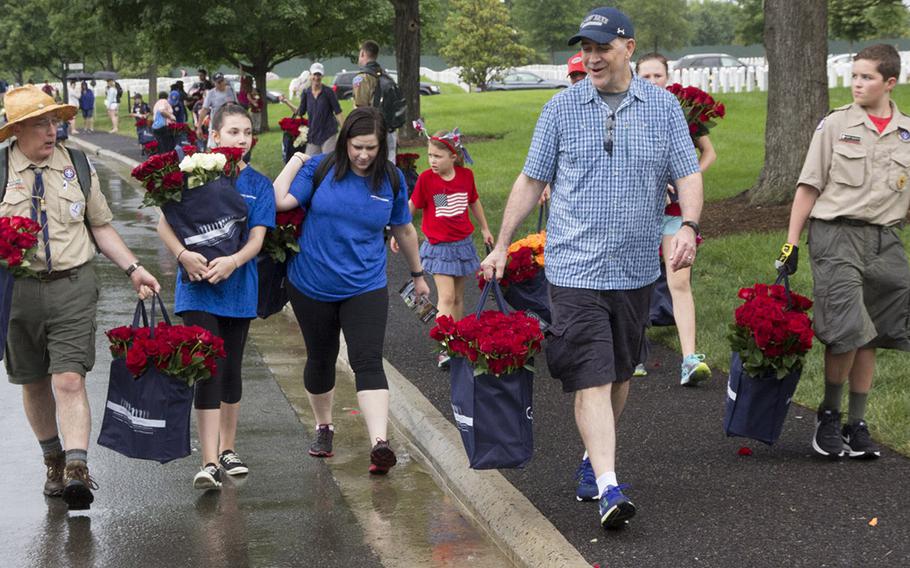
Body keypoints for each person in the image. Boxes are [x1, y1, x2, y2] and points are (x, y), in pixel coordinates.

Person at [481, 7, 702, 529]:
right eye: (587, 47)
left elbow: (687, 174)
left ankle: (590, 457)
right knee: (592, 375)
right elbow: (531, 181)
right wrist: (502, 244)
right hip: (574, 267)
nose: (593, 56)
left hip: (633, 269)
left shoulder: (665, 109)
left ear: (628, 46)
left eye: (603, 46)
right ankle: (608, 485)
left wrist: (689, 226)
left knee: (620, 371)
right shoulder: (560, 110)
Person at [0, 86, 160, 510]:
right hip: (16, 292)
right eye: (40, 123)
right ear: (16, 129)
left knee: (69, 378)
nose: (52, 131)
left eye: (54, 121)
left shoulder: (77, 164)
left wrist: (133, 268)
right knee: (33, 382)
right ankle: (53, 459)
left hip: (73, 285)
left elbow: (100, 226)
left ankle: (76, 469)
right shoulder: (0, 169)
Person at [272, 107, 429, 475]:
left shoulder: (390, 179)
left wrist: (418, 273)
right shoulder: (320, 169)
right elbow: (279, 202)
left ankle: (380, 443)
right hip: (311, 283)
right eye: (357, 146)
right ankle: (324, 427)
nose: (363, 155)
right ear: (345, 142)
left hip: (365, 284)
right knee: (321, 359)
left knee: (368, 359)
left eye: (371, 148)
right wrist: (296, 160)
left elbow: (403, 230)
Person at [780, 44, 910, 461]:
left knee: (873, 333)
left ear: (890, 82)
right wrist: (790, 243)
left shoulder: (907, 132)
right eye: (854, 75)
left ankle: (858, 423)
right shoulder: (836, 125)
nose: (857, 83)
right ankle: (829, 415)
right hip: (835, 236)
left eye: (867, 77)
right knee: (847, 329)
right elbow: (808, 185)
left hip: (885, 241)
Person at [157, 103, 275, 489]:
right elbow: (165, 223)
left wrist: (233, 262)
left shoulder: (258, 185)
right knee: (206, 367)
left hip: (238, 287)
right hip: (197, 288)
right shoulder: (192, 173)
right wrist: (183, 255)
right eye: (233, 132)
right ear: (215, 134)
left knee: (231, 368)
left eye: (246, 133)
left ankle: (228, 449)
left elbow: (257, 238)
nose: (241, 139)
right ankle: (208, 461)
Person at [633, 52, 716, 385]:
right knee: (635, 281)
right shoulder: (628, 113)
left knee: (678, 280)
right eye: (646, 77)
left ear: (668, 77)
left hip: (673, 212)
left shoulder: (682, 114)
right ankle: (633, 353)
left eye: (658, 76)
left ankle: (689, 360)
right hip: (636, 211)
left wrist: (685, 179)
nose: (653, 82)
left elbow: (708, 152)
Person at [390, 128, 494, 367]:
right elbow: (413, 204)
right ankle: (445, 346)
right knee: (446, 297)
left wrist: (485, 228)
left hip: (462, 245)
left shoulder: (466, 177)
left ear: (453, 156)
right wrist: (399, 227)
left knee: (458, 298)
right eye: (429, 156)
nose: (432, 161)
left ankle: (456, 343)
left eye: (437, 156)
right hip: (439, 247)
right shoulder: (427, 179)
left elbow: (474, 201)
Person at [280, 62, 343, 155]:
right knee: (310, 162)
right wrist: (286, 102)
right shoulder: (306, 93)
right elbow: (300, 112)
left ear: (322, 76)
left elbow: (338, 112)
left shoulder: (328, 92)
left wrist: (345, 130)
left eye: (319, 75)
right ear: (310, 75)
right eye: (314, 74)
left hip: (329, 132)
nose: (316, 78)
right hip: (313, 134)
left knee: (327, 161)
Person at [353, 40, 399, 161]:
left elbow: (361, 107)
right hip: (389, 128)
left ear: (363, 53)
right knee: (390, 162)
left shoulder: (362, 77)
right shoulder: (386, 75)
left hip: (372, 129)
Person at [198, 72, 237, 148]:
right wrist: (199, 127)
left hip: (231, 123)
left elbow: (236, 105)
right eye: (219, 82)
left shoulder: (231, 90)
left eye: (222, 80)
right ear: (214, 83)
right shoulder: (211, 94)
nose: (221, 83)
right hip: (217, 124)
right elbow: (204, 110)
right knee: (215, 147)